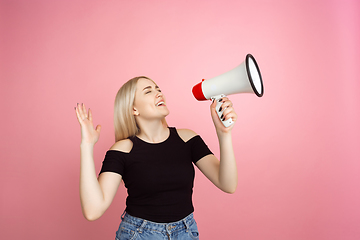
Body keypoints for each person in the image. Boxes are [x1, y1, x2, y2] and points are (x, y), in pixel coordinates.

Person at [75, 76, 238, 240]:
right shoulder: (123, 150)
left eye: (158, 89)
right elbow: (93, 210)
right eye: (149, 91)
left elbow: (228, 184)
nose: (159, 93)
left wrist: (224, 134)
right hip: (139, 234)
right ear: (134, 109)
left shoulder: (188, 139)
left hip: (186, 233)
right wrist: (87, 146)